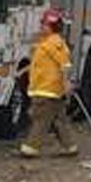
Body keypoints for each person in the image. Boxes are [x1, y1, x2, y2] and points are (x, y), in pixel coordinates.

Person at [21, 8, 79, 158]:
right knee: (59, 119)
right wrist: (21, 72)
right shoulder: (46, 43)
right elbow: (38, 63)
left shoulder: (54, 43)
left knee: (40, 118)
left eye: (43, 25)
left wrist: (66, 83)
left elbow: (65, 65)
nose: (41, 27)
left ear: (51, 27)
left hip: (46, 88)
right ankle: (70, 146)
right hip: (49, 89)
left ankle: (31, 148)